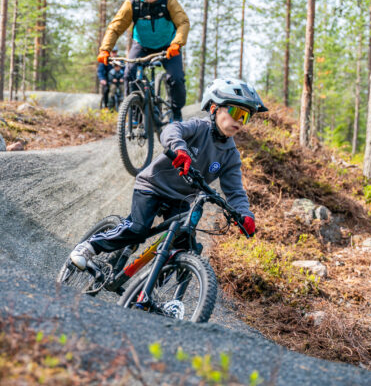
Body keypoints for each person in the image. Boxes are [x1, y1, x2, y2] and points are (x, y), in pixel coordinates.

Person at [69, 78, 267, 270]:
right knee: (138, 229)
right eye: (236, 112)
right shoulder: (199, 127)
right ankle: (89, 247)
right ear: (214, 108)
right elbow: (172, 129)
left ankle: (155, 285)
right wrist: (179, 148)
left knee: (184, 245)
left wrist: (244, 214)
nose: (239, 120)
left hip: (180, 200)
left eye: (245, 117)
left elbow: (235, 191)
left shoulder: (231, 155)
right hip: (153, 186)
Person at [97, 0, 189, 121]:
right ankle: (136, 112)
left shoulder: (168, 1)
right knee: (129, 74)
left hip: (169, 46)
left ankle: (176, 111)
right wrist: (105, 49)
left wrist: (176, 44)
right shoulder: (132, 3)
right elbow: (115, 27)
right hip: (142, 45)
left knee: (176, 78)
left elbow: (183, 22)